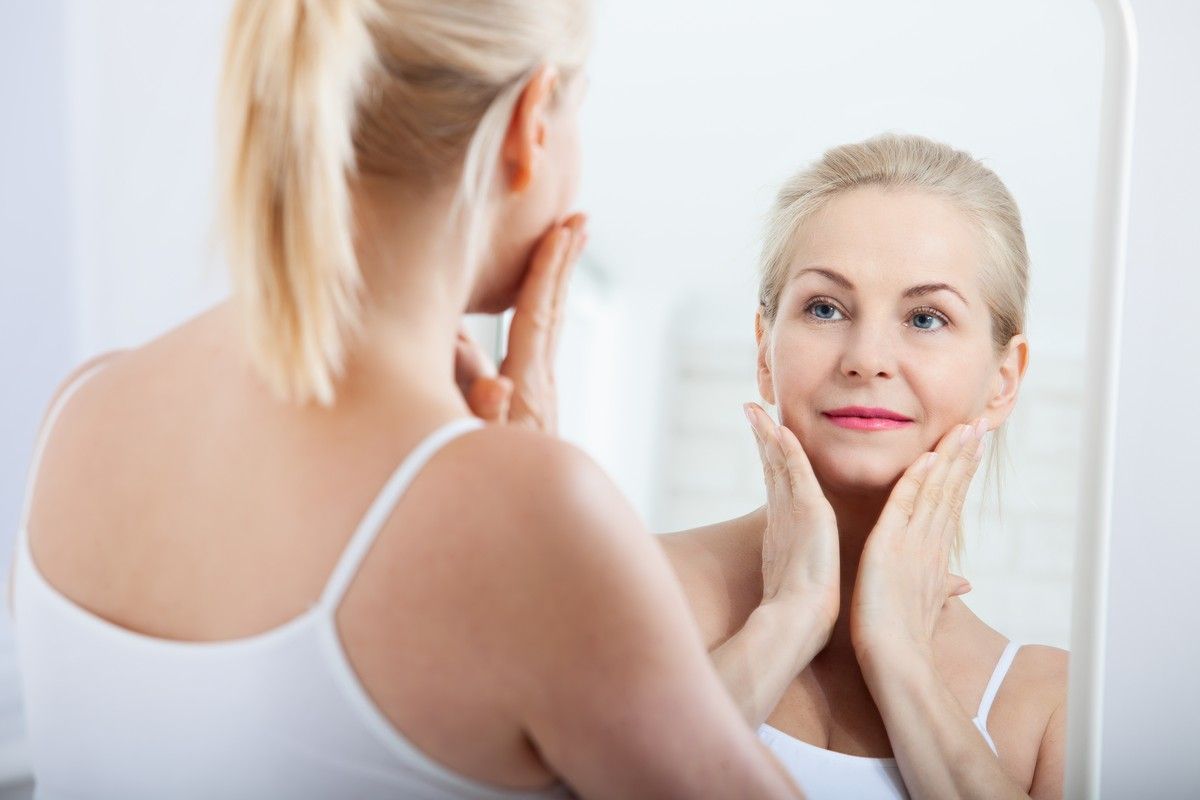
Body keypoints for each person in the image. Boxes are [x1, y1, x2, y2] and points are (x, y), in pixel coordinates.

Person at [6, 2, 809, 798]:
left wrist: (508, 467)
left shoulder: (80, 409)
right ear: (531, 124)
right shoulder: (531, 515)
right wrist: (793, 617)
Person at [660, 134, 1068, 799]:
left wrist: (901, 658)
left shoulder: (1051, 707)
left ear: (1003, 378)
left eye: (926, 318)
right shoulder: (634, 588)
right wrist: (786, 619)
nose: (867, 357)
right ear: (765, 350)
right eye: (825, 308)